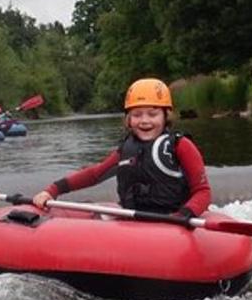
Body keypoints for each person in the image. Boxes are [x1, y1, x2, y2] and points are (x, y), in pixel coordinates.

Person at [31, 78, 211, 219]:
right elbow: (94, 174)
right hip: (133, 219)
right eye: (137, 115)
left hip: (174, 218)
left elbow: (202, 192)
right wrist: (52, 190)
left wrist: (183, 216)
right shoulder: (125, 149)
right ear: (129, 120)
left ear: (166, 116)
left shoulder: (181, 146)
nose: (145, 120)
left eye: (152, 114)